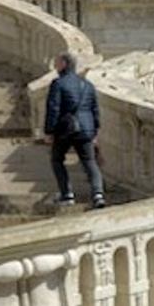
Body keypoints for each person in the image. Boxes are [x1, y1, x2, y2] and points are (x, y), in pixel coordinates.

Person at [41, 52, 105, 209]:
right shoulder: (87, 85)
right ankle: (98, 194)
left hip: (65, 129)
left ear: (64, 64)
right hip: (86, 129)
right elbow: (95, 109)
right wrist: (95, 130)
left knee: (57, 160)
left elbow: (53, 109)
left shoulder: (58, 84)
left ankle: (67, 194)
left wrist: (49, 131)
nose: (55, 66)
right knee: (89, 161)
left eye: (57, 63)